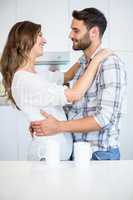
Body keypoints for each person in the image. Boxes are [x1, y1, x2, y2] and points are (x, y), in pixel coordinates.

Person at [0, 21, 110, 161]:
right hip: (46, 156)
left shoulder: (37, 76)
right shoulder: (25, 80)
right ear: (25, 40)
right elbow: (74, 94)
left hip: (56, 157)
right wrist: (96, 59)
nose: (44, 40)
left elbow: (67, 76)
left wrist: (87, 56)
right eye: (39, 35)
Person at [31, 8, 127, 160]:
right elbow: (77, 108)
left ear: (94, 32)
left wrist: (58, 126)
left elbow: (104, 119)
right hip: (78, 152)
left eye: (76, 30)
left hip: (99, 154)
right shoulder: (82, 64)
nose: (70, 35)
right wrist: (43, 122)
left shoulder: (110, 63)